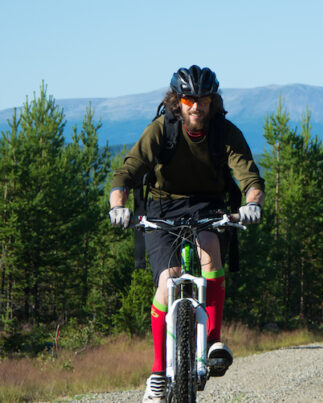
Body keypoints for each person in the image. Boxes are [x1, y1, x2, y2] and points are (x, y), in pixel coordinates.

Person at [108, 65, 265, 403]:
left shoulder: (225, 133)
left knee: (210, 247)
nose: (196, 106)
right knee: (168, 281)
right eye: (189, 99)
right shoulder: (162, 130)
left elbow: (250, 178)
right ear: (177, 101)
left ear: (213, 101)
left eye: (203, 100)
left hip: (208, 205)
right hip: (163, 208)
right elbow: (127, 173)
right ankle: (156, 372)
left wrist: (253, 205)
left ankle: (213, 342)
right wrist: (118, 206)